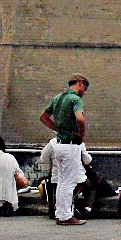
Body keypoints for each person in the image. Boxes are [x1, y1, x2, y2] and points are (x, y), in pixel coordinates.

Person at [39, 73, 90, 226]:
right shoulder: (75, 99)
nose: (84, 92)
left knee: (62, 182)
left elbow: (43, 117)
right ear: (80, 83)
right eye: (84, 88)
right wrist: (81, 134)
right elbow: (80, 118)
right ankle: (67, 216)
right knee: (70, 182)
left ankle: (60, 214)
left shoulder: (58, 98)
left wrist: (58, 129)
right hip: (70, 146)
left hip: (59, 145)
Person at [38, 136, 95, 218]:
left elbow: (44, 158)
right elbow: (87, 160)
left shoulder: (53, 142)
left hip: (56, 178)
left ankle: (57, 209)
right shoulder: (78, 141)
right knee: (91, 187)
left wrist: (51, 167)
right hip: (78, 178)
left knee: (60, 187)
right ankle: (87, 209)